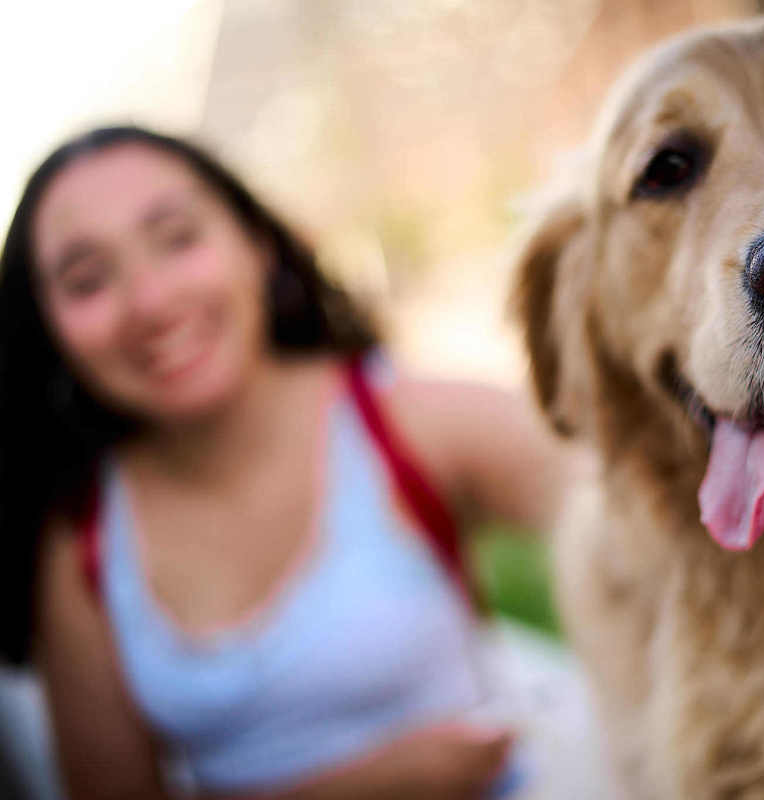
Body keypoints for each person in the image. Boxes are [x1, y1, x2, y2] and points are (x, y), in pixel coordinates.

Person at [0, 126, 581, 799]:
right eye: (87, 280)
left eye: (178, 238)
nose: (151, 303)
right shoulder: (82, 545)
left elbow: (633, 497)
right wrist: (370, 786)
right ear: (47, 329)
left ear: (258, 244)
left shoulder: (403, 421)